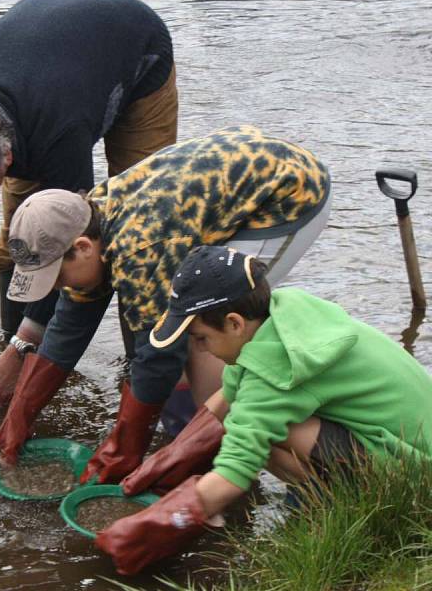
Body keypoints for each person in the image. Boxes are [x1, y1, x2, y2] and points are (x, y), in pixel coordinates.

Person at [0, 126, 333, 488]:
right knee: (172, 329)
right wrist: (20, 413)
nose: (58, 288)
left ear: (85, 247)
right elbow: (70, 327)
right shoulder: (86, 220)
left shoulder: (139, 249)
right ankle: (187, 434)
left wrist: (125, 448)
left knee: (206, 330)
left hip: (289, 194)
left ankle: (217, 460)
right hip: (222, 188)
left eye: (57, 277)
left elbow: (157, 353)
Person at [0, 0, 179, 405]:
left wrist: (26, 345)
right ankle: (15, 354)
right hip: (46, 64)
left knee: (135, 228)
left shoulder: (57, 139)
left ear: (6, 159)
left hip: (135, 49)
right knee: (21, 239)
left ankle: (141, 368)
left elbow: (68, 244)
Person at [94, 245, 432, 575]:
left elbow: (236, 471)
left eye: (201, 339)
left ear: (235, 323)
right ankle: (327, 489)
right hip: (409, 441)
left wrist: (160, 523)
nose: (200, 350)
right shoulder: (285, 314)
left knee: (262, 435)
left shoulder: (273, 372)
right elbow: (229, 394)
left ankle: (341, 503)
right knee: (245, 413)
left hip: (413, 476)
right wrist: (170, 457)